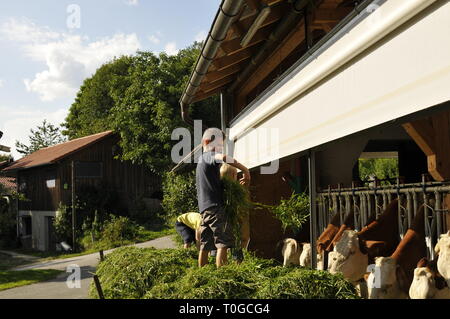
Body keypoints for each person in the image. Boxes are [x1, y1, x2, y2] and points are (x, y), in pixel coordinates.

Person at [196, 127, 251, 268]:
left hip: (204, 210)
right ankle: (223, 275)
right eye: (219, 145)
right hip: (215, 209)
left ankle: (201, 273)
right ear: (207, 142)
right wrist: (245, 170)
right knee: (223, 243)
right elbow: (225, 158)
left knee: (205, 246)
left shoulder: (201, 162)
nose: (220, 149)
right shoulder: (209, 156)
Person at [220, 163, 250, 263]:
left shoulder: (221, 190)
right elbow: (242, 205)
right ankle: (237, 264)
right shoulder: (235, 190)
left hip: (226, 224)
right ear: (233, 175)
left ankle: (232, 263)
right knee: (239, 243)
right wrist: (244, 189)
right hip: (238, 223)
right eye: (236, 175)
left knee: (229, 245)